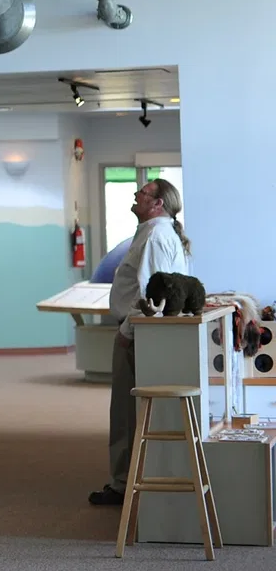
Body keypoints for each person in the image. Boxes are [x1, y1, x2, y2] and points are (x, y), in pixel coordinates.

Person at [89, 177, 189, 506]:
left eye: (143, 192)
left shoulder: (156, 236)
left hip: (139, 334)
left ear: (158, 203)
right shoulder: (156, 232)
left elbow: (153, 292)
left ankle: (123, 485)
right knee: (128, 411)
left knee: (125, 412)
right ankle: (128, 480)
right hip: (141, 332)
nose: (136, 194)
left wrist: (126, 331)